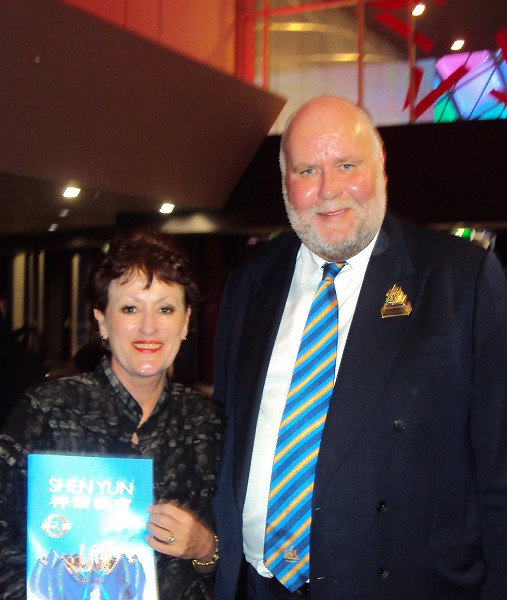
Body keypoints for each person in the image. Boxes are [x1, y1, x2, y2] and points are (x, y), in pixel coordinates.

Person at [212, 96, 507, 599]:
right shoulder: (249, 283)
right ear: (285, 181)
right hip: (259, 587)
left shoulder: (463, 279)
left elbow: (500, 470)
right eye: (307, 170)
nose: (328, 190)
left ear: (381, 165)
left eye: (346, 165)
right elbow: (226, 437)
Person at [0, 230, 224, 600]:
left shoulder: (209, 423)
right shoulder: (48, 410)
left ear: (185, 322)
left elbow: (240, 559)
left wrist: (206, 548)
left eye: (165, 309)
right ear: (102, 321)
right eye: (130, 308)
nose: (149, 326)